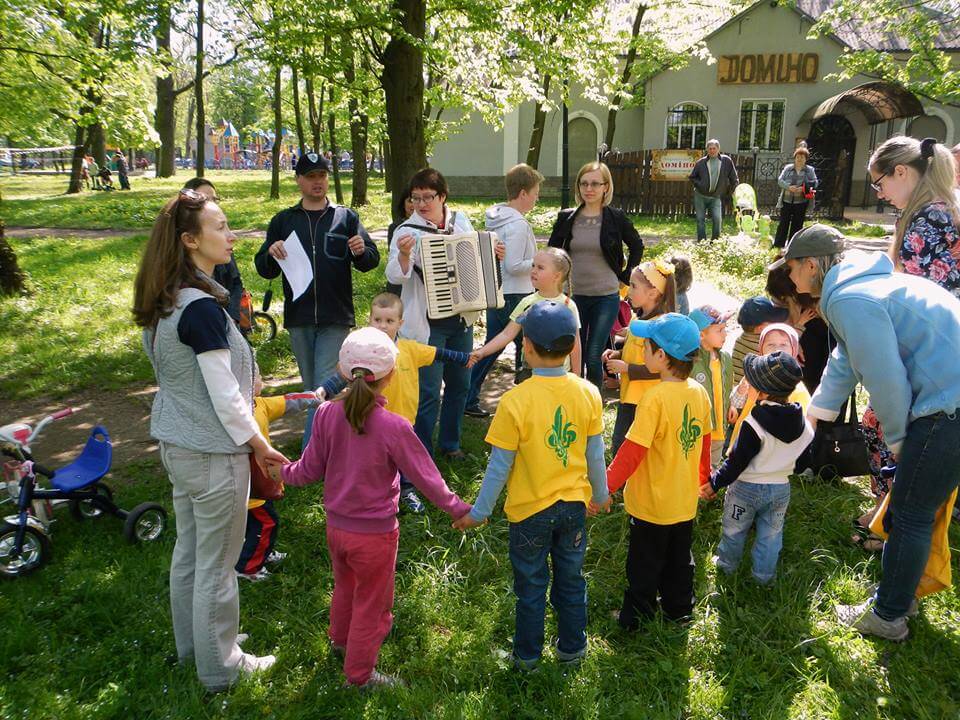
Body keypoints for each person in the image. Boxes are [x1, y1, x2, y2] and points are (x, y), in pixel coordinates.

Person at [774, 223, 960, 641]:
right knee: (915, 508)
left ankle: (888, 616)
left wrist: (898, 440)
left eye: (791, 269)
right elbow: (847, 354)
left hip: (947, 407)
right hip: (950, 397)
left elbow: (885, 378)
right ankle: (902, 593)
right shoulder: (858, 284)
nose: (789, 278)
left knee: (910, 513)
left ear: (810, 265)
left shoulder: (850, 298)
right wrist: (816, 411)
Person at [132, 189, 286, 692]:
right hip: (215, 452)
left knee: (191, 554)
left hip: (180, 446)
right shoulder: (198, 308)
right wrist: (259, 443)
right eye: (220, 227)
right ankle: (220, 668)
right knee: (218, 566)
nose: (231, 235)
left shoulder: (165, 296)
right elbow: (222, 394)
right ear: (190, 240)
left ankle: (194, 647)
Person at [277, 327, 472, 688]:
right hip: (375, 536)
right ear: (391, 376)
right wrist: (458, 508)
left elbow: (306, 472)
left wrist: (279, 472)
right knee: (372, 603)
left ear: (343, 370)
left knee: (345, 586)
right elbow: (427, 477)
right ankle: (359, 675)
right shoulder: (393, 426)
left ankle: (340, 641)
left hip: (336, 529)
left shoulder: (324, 414)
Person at [453, 301, 609, 670]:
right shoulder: (588, 392)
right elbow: (596, 454)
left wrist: (479, 512)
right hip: (574, 509)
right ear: (573, 344)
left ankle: (527, 658)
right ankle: (572, 650)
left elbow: (499, 467)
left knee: (531, 586)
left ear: (527, 347)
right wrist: (600, 496)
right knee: (571, 580)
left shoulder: (514, 400)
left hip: (529, 513)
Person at [254, 152, 379, 446]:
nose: (318, 182)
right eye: (311, 177)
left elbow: (370, 261)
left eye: (322, 176)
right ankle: (331, 444)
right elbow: (263, 267)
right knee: (312, 387)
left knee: (322, 386)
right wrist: (271, 252)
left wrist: (361, 250)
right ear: (298, 180)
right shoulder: (284, 220)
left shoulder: (345, 217)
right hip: (299, 316)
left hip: (336, 315)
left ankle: (313, 454)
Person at [314, 292, 472, 513]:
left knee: (407, 462)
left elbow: (437, 353)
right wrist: (324, 390)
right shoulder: (362, 351)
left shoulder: (409, 349)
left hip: (404, 421)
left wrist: (466, 358)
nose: (383, 326)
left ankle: (407, 490)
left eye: (389, 321)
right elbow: (343, 374)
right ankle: (376, 494)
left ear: (400, 323)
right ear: (369, 320)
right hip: (373, 421)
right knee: (375, 463)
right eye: (377, 320)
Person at [385, 167, 502, 460]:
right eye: (415, 198)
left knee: (459, 385)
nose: (421, 204)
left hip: (461, 319)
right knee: (426, 392)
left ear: (443, 196)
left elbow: (475, 256)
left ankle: (451, 445)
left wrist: (495, 253)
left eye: (428, 197)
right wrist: (402, 256)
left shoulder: (460, 221)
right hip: (426, 325)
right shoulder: (406, 231)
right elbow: (394, 277)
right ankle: (420, 452)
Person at [606, 313, 712, 628]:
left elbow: (632, 452)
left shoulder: (654, 398)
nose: (643, 353)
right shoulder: (698, 392)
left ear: (662, 356)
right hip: (683, 500)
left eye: (646, 348)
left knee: (644, 563)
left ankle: (636, 618)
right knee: (681, 560)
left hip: (651, 503)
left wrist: (606, 487)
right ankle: (679, 611)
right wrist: (703, 480)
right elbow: (704, 442)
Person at [701, 352, 813, 584]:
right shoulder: (803, 423)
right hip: (780, 489)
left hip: (746, 489)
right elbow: (803, 462)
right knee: (771, 535)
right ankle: (763, 576)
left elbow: (736, 463)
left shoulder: (754, 423)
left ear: (761, 393)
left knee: (734, 530)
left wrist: (715, 483)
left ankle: (726, 567)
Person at [548, 161, 644, 387]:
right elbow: (553, 252)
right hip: (573, 296)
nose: (588, 189)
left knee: (593, 356)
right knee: (574, 355)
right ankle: (575, 402)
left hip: (605, 296)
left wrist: (624, 276)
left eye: (594, 184)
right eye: (583, 184)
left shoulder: (615, 217)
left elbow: (637, 245)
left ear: (606, 187)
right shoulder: (567, 218)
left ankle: (593, 405)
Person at [465, 163, 544, 417]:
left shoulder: (497, 219)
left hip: (497, 291)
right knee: (526, 349)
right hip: (517, 294)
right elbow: (513, 265)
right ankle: (525, 402)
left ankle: (467, 397)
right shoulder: (518, 224)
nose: (536, 197)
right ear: (523, 193)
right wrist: (539, 261)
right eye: (534, 192)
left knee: (492, 347)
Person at [236, 375, 320, 582]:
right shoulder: (236, 412)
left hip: (260, 480)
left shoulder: (260, 403)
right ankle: (248, 567)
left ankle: (261, 551)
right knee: (266, 523)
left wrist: (318, 396)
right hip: (252, 484)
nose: (261, 379)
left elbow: (289, 401)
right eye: (257, 376)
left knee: (252, 523)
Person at [469, 248, 581, 384]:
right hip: (530, 373)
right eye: (533, 265)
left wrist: (576, 377)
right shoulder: (527, 302)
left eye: (540, 268)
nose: (533, 270)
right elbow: (507, 334)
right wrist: (482, 352)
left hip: (561, 374)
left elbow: (575, 344)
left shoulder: (569, 305)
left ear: (556, 276)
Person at [869, 136, 960, 298]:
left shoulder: (928, 218)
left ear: (900, 172)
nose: (879, 194)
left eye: (879, 184)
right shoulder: (934, 210)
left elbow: (921, 293)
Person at [603, 259, 677, 455]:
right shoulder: (639, 319)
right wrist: (617, 354)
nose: (628, 291)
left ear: (652, 293)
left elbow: (660, 369)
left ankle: (625, 482)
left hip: (645, 401)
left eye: (634, 286)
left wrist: (626, 368)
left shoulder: (658, 326)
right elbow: (635, 352)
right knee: (621, 442)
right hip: (629, 396)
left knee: (630, 446)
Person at [727, 323, 811, 451]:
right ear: (761, 349)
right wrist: (741, 391)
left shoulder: (796, 387)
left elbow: (803, 423)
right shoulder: (752, 376)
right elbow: (735, 403)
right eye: (771, 344)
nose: (777, 349)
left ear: (794, 350)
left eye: (784, 345)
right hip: (743, 441)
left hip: (774, 449)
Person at [182, 178, 247, 333]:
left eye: (214, 199)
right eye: (204, 199)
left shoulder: (220, 249)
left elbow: (236, 283)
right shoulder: (193, 301)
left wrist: (232, 317)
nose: (232, 237)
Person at [765, 264, 829, 394]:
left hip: (821, 346)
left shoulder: (819, 294)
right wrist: (794, 337)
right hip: (803, 352)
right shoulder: (781, 281)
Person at [689, 305, 734, 467]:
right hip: (698, 431)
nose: (725, 334)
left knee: (712, 468)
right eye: (719, 330)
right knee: (694, 466)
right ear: (701, 335)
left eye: (725, 329)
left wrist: (732, 405)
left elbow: (728, 387)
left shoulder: (726, 359)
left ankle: (707, 490)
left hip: (719, 428)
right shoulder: (690, 362)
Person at [688, 139, 739, 243]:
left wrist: (734, 189)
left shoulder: (726, 161)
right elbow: (692, 177)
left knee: (717, 219)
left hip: (716, 197)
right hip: (700, 196)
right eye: (710, 149)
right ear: (707, 150)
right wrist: (700, 185)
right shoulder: (701, 162)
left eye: (714, 148)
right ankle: (702, 242)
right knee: (700, 220)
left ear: (718, 149)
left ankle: (715, 242)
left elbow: (734, 178)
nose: (712, 151)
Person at [730, 296, 789, 386]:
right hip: (753, 396)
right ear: (760, 328)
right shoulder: (760, 346)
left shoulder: (742, 339)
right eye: (773, 322)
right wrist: (800, 325)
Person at [774, 146, 818, 248]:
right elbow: (780, 180)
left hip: (801, 202)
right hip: (787, 200)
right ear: (795, 157)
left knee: (797, 224)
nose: (799, 159)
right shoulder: (788, 168)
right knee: (783, 223)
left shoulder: (809, 170)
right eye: (798, 157)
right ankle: (778, 244)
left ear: (806, 159)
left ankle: (793, 245)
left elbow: (815, 182)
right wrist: (789, 187)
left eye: (802, 157)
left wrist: (803, 188)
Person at [385, 189, 415, 296]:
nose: (414, 204)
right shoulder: (396, 228)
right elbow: (393, 257)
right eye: (410, 200)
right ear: (403, 203)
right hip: (399, 285)